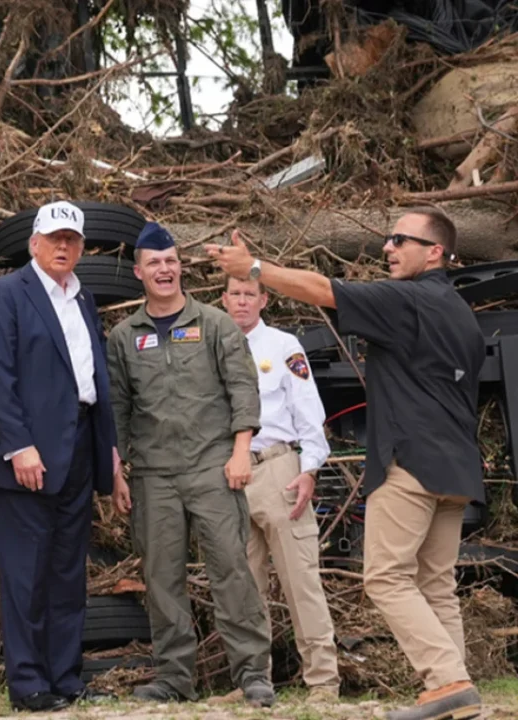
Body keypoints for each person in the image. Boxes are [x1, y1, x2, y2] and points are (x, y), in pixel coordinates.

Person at [205, 206, 485, 720]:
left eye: (400, 240)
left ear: (435, 253)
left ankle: (448, 681)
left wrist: (254, 268)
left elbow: (322, 290)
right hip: (459, 467)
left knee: (385, 577)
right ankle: (456, 691)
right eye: (388, 238)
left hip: (412, 464)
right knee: (435, 584)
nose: (387, 247)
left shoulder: (408, 299)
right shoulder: (461, 311)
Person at [105, 222, 275, 707]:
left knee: (231, 571)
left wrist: (241, 451)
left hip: (213, 469)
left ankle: (253, 674)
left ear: (181, 268)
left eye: (171, 261)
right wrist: (116, 472)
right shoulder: (124, 336)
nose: (165, 270)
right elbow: (117, 409)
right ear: (139, 273)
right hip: (153, 476)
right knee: (162, 579)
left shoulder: (216, 324)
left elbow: (243, 389)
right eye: (154, 263)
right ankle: (174, 679)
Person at [0, 200, 121, 713]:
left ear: (81, 248)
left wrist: (108, 450)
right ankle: (29, 683)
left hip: (79, 445)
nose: (63, 246)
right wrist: (19, 446)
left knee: (67, 571)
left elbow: (94, 380)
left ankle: (66, 678)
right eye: (55, 238)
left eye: (72, 240)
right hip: (26, 454)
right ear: (34, 243)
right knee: (26, 573)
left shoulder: (83, 298)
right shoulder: (6, 294)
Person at [221, 275, 341, 702]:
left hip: (277, 468)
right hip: (230, 475)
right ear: (223, 299)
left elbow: (309, 409)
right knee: (244, 588)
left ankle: (323, 681)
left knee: (300, 580)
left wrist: (309, 469)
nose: (241, 302)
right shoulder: (211, 344)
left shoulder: (283, 345)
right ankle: (253, 682)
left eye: (249, 294)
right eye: (235, 294)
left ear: (264, 299)